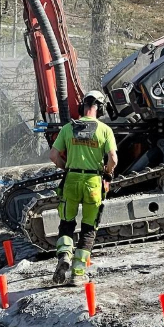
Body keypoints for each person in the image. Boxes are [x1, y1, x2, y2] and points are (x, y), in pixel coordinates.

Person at [48, 90, 118, 285]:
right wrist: (107, 173)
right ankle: (78, 273)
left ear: (82, 106)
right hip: (93, 183)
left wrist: (67, 168)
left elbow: (53, 156)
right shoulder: (104, 130)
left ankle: (64, 255)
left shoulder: (68, 128)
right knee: (88, 227)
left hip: (71, 180)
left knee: (67, 222)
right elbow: (113, 159)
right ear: (100, 108)